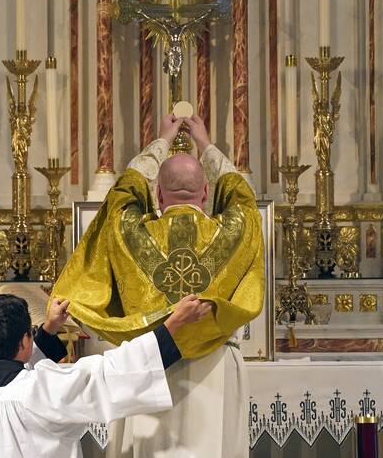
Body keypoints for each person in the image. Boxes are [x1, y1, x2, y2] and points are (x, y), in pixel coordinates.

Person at [53, 114, 265, 457]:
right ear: (207, 191)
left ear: (158, 194)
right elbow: (243, 196)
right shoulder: (235, 229)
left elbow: (122, 194)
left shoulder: (129, 231)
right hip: (212, 370)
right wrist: (207, 144)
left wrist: (159, 144)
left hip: (147, 365)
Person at [0, 292, 211, 458]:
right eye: (31, 331)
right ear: (24, 340)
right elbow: (107, 374)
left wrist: (49, 329)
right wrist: (174, 323)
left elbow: (15, 374)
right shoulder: (40, 390)